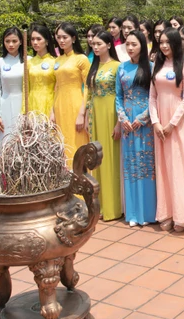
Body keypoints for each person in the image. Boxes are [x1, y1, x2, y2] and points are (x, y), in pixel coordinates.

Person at [149, 28, 184, 231]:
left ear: (176, 43)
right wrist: (156, 122)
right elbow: (152, 97)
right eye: (161, 42)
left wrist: (171, 124)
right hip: (160, 122)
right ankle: (165, 213)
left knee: (179, 167)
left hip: (178, 122)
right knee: (163, 167)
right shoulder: (157, 65)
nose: (164, 46)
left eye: (168, 42)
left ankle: (182, 215)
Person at [115, 29, 156, 227]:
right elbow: (118, 96)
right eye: (127, 44)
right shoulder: (121, 68)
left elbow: (154, 96)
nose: (130, 48)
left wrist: (143, 117)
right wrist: (122, 117)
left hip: (144, 122)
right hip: (127, 123)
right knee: (131, 165)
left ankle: (148, 213)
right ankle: (132, 213)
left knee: (146, 164)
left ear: (143, 46)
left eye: (134, 44)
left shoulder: (151, 67)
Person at [86, 31, 122, 221]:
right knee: (97, 159)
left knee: (111, 159)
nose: (95, 47)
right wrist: (86, 116)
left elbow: (122, 95)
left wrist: (119, 122)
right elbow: (89, 94)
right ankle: (99, 205)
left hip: (111, 112)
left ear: (109, 45)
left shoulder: (117, 66)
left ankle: (113, 207)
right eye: (93, 44)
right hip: (96, 113)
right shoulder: (93, 66)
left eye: (99, 43)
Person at [53, 23, 91, 166]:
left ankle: (80, 174)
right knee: (62, 141)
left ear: (73, 38)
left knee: (77, 141)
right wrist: (52, 111)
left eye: (65, 37)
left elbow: (88, 87)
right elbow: (56, 87)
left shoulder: (81, 59)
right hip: (59, 105)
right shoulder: (57, 60)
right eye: (59, 37)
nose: (61, 40)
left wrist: (82, 113)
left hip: (75, 104)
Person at [0, 28, 24, 145]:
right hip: (5, 104)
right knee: (7, 138)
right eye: (7, 41)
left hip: (24, 104)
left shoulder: (28, 61)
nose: (11, 44)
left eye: (14, 41)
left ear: (21, 42)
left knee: (24, 138)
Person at [25, 24, 57, 119]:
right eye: (33, 39)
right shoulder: (29, 62)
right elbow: (25, 88)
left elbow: (58, 88)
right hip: (32, 104)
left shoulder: (55, 62)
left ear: (47, 41)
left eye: (39, 39)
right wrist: (24, 110)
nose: (35, 42)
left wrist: (54, 110)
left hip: (49, 104)